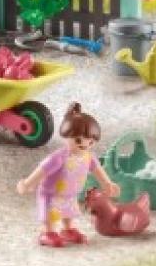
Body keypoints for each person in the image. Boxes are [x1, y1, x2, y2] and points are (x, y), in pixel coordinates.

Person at [16, 103, 120, 247]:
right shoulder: (60, 157)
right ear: (67, 136)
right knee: (51, 213)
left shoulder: (88, 156)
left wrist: (107, 184)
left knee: (69, 212)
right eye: (79, 140)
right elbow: (42, 170)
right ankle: (48, 232)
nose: (85, 145)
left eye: (90, 142)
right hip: (51, 193)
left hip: (70, 193)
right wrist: (28, 183)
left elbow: (98, 171)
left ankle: (68, 229)